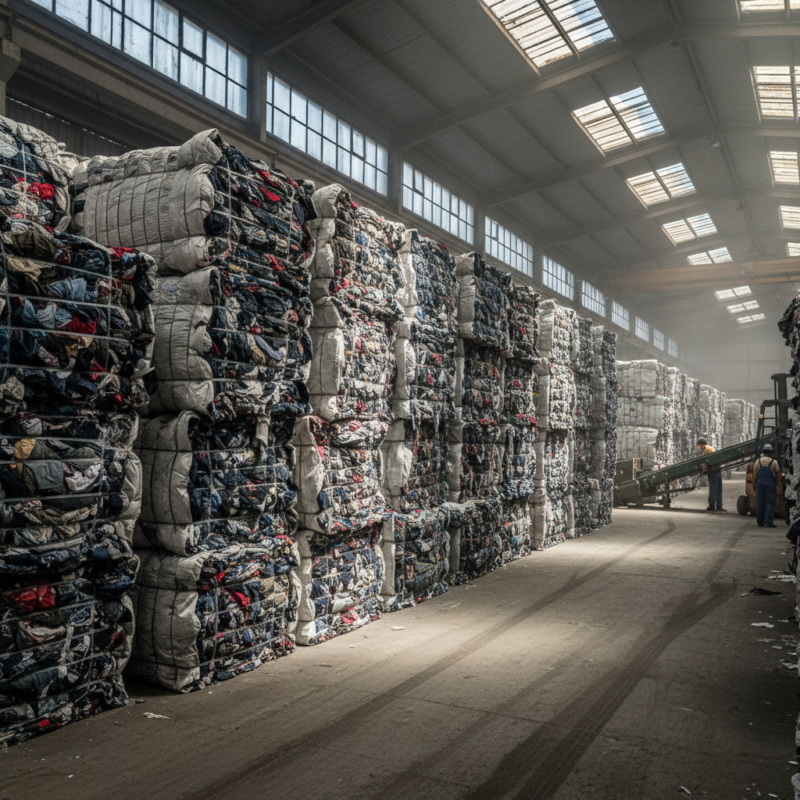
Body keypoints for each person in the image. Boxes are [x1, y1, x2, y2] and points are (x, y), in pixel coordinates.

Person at [754, 444, 781, 528]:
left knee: (760, 502)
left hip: (760, 483)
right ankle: (769, 521)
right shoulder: (774, 461)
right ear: (770, 453)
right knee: (770, 502)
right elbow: (778, 473)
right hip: (770, 484)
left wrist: (754, 484)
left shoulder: (757, 461)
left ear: (763, 452)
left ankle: (760, 522)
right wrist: (779, 483)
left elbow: (755, 474)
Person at [698, 437, 724, 512]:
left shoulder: (706, 450)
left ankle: (711, 505)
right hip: (718, 470)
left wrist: (704, 470)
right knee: (719, 489)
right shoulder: (710, 448)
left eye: (700, 445)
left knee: (713, 489)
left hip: (713, 472)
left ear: (702, 444)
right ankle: (719, 506)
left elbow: (705, 462)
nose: (699, 447)